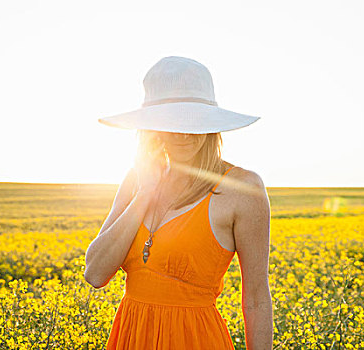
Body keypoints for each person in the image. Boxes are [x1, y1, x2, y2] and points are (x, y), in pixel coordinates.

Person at [84, 56, 273, 349]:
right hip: (130, 337)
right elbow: (95, 273)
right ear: (151, 128)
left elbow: (257, 298)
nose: (184, 134)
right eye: (171, 123)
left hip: (195, 339)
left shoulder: (242, 188)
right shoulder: (136, 180)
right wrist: (145, 193)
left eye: (194, 123)